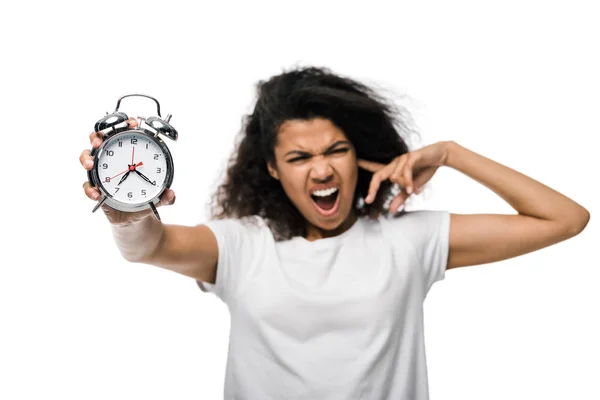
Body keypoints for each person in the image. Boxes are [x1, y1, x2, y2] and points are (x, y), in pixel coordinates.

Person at [80, 66, 590, 400]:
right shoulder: (243, 245)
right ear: (274, 170)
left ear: (360, 154)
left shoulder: (408, 240)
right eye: (300, 158)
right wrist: (126, 213)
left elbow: (564, 220)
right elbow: (152, 246)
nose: (321, 171)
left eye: (336, 151)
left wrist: (451, 153)